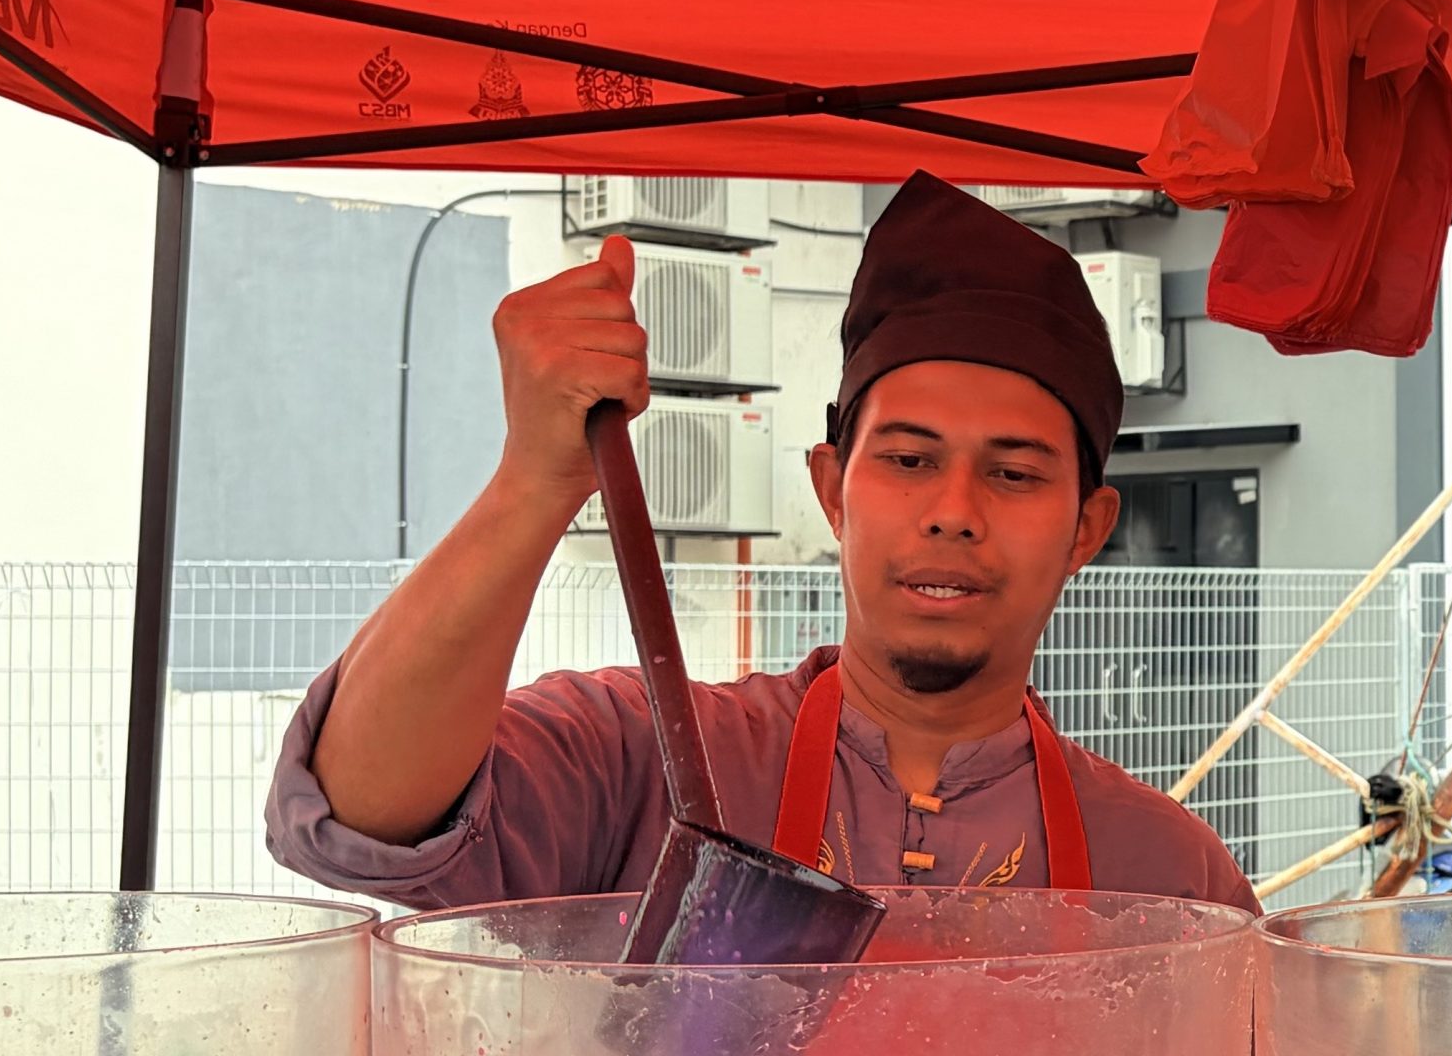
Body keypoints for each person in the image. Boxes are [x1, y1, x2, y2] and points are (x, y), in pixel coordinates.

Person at [268, 172, 1253, 910]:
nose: (954, 509)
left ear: (1087, 527)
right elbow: (360, 812)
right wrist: (535, 478)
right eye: (908, 460)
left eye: (1014, 472)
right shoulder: (638, 761)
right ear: (831, 489)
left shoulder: (1170, 875)